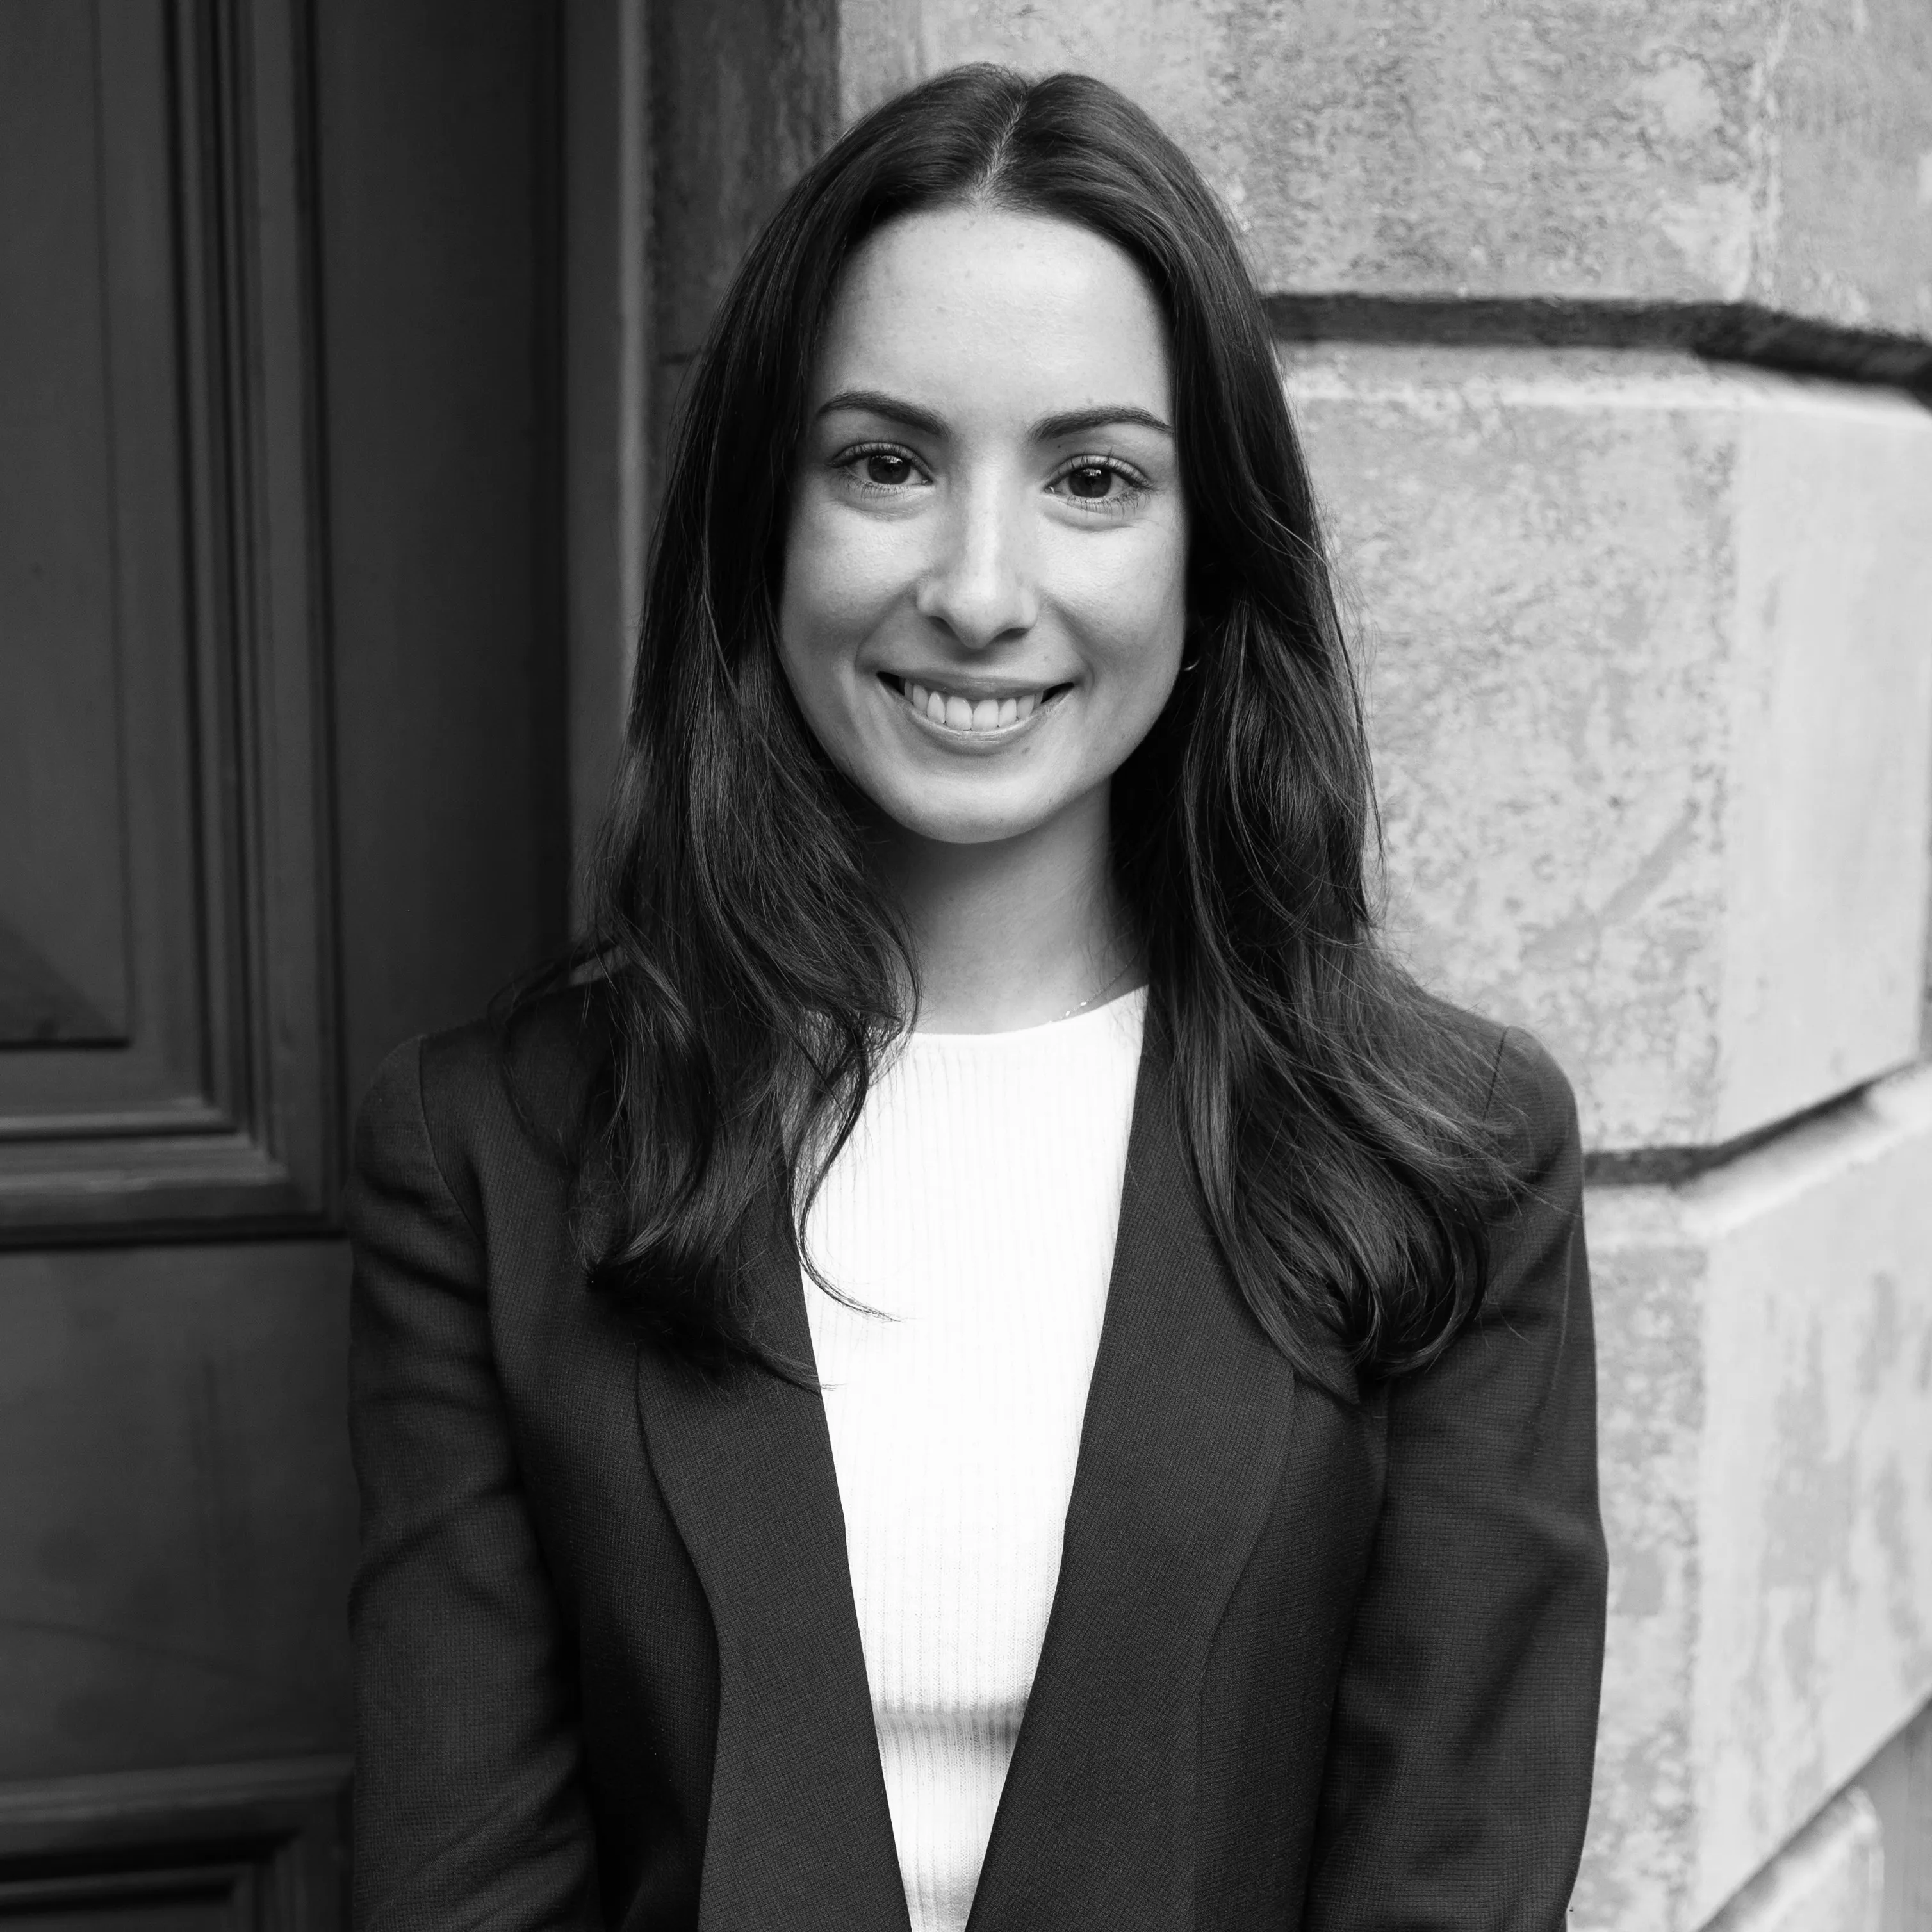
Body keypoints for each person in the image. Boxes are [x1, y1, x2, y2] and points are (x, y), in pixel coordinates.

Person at [346, 63, 1606, 1932]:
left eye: (1093, 478)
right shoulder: (493, 1149)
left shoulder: (1451, 1155)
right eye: (887, 463)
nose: (980, 587)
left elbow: (1456, 1863)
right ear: (767, 520)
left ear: (1211, 546)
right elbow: (464, 1888)